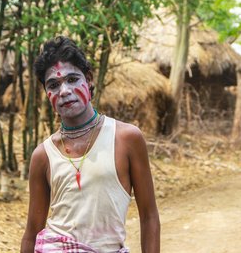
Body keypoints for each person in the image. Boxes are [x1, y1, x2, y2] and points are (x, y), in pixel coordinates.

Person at [20, 36, 160, 253]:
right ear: (47, 95)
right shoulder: (43, 155)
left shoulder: (125, 138)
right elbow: (31, 233)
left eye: (73, 79)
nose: (64, 91)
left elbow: (149, 217)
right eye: (54, 85)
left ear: (89, 79)